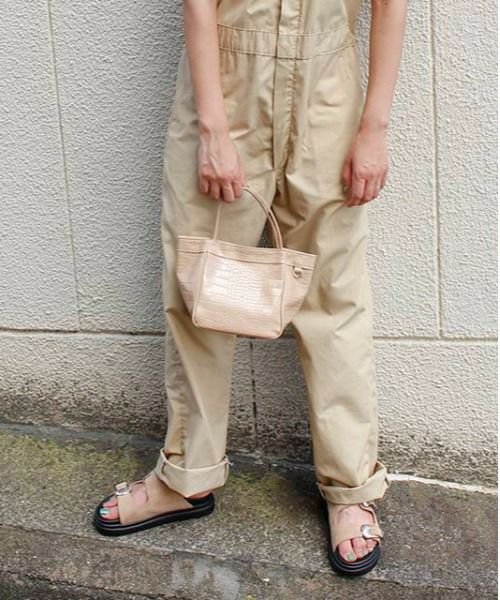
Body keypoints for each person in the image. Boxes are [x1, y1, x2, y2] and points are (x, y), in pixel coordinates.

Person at [93, 0, 407, 577]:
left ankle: (350, 489)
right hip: (224, 88)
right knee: (199, 292)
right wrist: (213, 128)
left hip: (328, 95)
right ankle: (186, 475)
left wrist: (374, 127)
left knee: (335, 299)